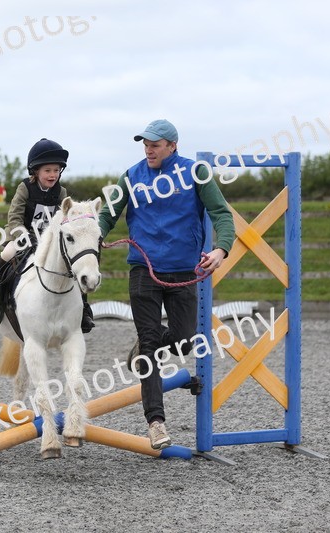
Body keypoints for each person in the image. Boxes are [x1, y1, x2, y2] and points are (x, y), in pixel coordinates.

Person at [97, 119, 235, 449]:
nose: (148, 149)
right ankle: (156, 422)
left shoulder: (196, 173)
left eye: (155, 144)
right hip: (143, 269)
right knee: (149, 346)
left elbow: (221, 214)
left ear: (173, 146)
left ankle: (148, 346)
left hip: (184, 270)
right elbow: (107, 215)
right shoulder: (131, 176)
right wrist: (94, 237)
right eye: (145, 143)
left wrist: (221, 248)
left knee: (186, 341)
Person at [0, 138, 95, 332]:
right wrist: (23, 235)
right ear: (36, 171)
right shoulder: (25, 188)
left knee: (73, 263)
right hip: (22, 237)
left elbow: (68, 220)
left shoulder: (61, 192)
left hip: (49, 241)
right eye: (48, 170)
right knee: (5, 257)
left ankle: (83, 311)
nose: (53, 175)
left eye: (56, 170)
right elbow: (14, 217)